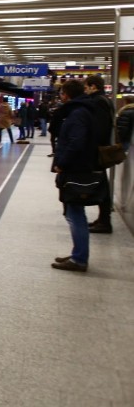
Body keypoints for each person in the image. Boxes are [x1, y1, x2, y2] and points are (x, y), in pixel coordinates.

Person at [51, 79, 100, 272]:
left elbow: (76, 142)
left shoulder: (78, 113)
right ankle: (77, 254)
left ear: (67, 94)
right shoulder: (84, 111)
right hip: (79, 167)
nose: (60, 97)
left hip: (76, 170)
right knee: (75, 214)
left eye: (62, 93)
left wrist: (62, 163)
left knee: (75, 215)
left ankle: (79, 259)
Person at [84, 75, 115, 234]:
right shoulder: (105, 100)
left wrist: (92, 148)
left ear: (93, 86)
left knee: (100, 184)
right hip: (101, 148)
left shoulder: (98, 101)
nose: (86, 90)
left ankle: (105, 221)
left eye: (87, 87)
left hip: (98, 150)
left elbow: (99, 128)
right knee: (101, 182)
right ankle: (103, 219)